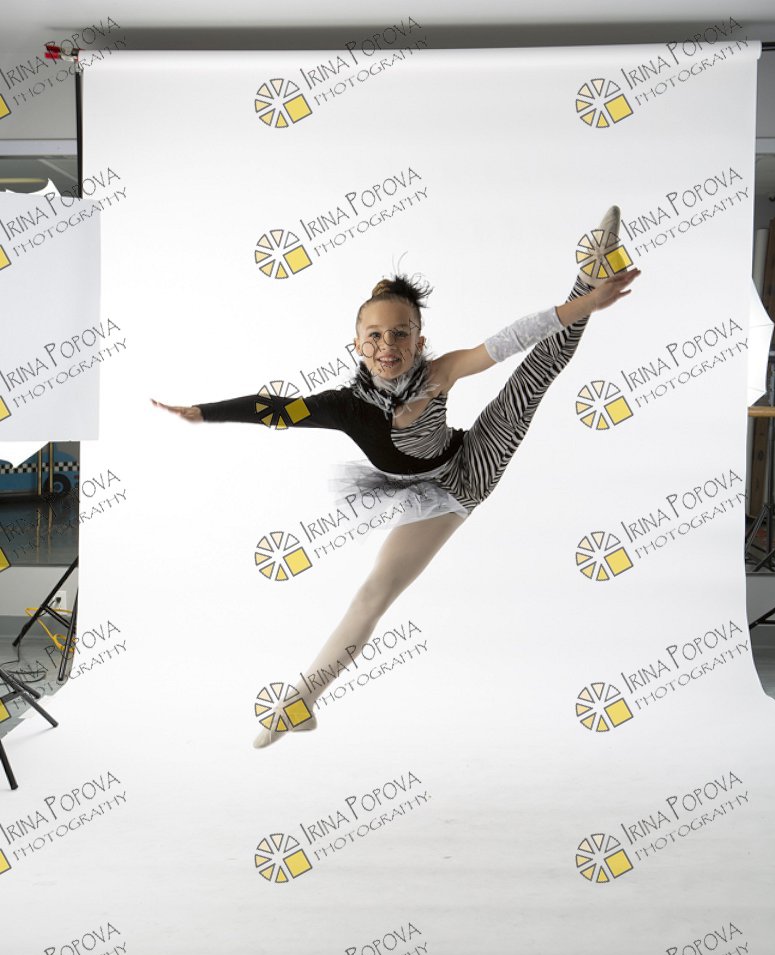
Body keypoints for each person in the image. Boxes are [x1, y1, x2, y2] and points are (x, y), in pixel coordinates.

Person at [153, 206, 640, 747]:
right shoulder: (343, 406)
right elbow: (276, 410)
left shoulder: (438, 373)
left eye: (401, 334)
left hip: (473, 460)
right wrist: (205, 412)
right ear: (357, 344)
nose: (388, 346)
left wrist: (585, 302)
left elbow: (505, 342)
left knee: (534, 374)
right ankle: (301, 702)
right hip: (430, 493)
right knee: (373, 593)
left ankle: (588, 276)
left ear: (419, 340)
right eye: (376, 335)